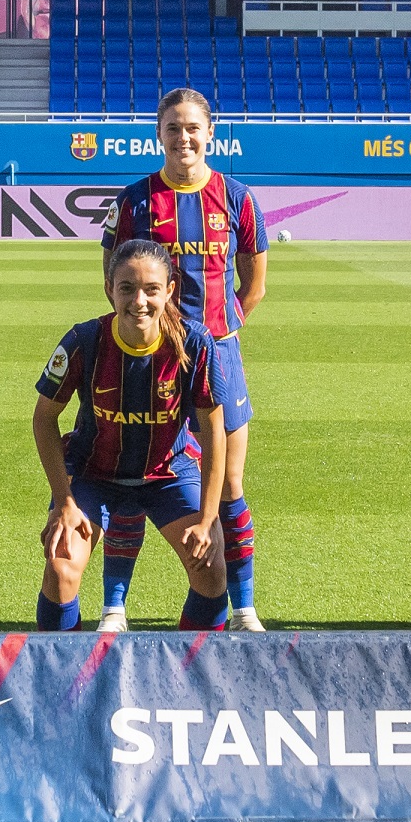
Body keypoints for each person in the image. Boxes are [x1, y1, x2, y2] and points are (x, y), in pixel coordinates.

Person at [99, 88, 268, 632]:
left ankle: (243, 608)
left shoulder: (237, 198)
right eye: (173, 128)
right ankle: (114, 608)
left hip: (217, 354)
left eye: (193, 127)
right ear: (159, 135)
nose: (184, 137)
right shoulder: (135, 200)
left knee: (232, 484)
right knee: (133, 474)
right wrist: (149, 331)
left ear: (210, 133)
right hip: (152, 358)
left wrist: (215, 334)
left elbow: (254, 284)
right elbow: (112, 277)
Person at [32, 239, 226, 631]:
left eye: (152, 290)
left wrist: (208, 518)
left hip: (167, 472)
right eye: (127, 288)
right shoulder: (83, 341)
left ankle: (198, 676)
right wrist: (64, 503)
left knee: (210, 566)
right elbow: (43, 418)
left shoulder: (194, 343)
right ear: (109, 288)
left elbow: (213, 428)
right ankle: (61, 677)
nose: (139, 301)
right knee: (61, 565)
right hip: (92, 474)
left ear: (169, 291)